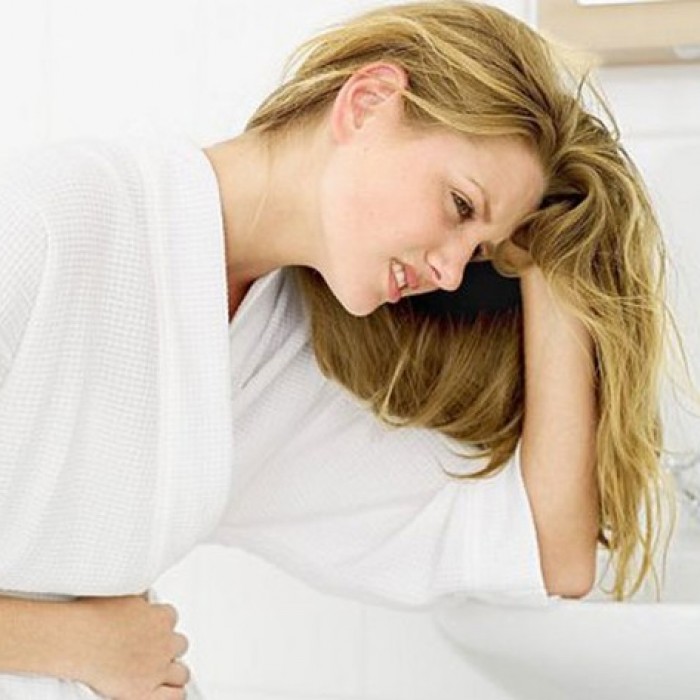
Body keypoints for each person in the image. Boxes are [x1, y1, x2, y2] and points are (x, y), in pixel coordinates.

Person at [0, 0, 688, 698]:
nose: (452, 271)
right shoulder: (42, 224)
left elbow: (549, 551)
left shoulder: (267, 355)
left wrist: (553, 258)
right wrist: (76, 643)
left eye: (481, 251)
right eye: (459, 206)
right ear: (368, 103)